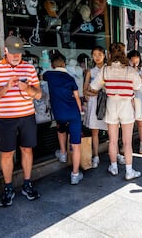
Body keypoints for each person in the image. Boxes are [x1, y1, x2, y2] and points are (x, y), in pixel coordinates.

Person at [0, 35, 42, 207]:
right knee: (7, 153)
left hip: (27, 116)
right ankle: (8, 188)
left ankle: (27, 183)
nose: (17, 56)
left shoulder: (29, 68)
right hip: (6, 118)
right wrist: (6, 87)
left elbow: (38, 94)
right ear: (5, 51)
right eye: (13, 52)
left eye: (19, 53)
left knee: (27, 150)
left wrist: (28, 88)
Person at [90, 42, 142, 180]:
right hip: (126, 106)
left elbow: (93, 86)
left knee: (112, 141)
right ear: (124, 53)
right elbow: (137, 86)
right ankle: (129, 171)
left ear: (110, 54)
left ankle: (113, 167)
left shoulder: (105, 70)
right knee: (127, 142)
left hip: (111, 105)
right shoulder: (130, 70)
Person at [43, 51, 84, 184]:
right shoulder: (70, 78)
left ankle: (63, 154)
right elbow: (77, 97)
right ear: (64, 64)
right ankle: (75, 175)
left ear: (52, 65)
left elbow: (39, 77)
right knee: (76, 144)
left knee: (60, 128)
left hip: (59, 113)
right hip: (73, 113)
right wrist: (80, 110)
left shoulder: (48, 75)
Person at [83, 46, 108, 168]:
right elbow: (85, 91)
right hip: (94, 103)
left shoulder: (108, 69)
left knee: (112, 130)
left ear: (104, 55)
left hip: (107, 103)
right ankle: (96, 155)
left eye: (100, 54)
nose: (97, 57)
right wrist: (98, 93)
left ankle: (116, 154)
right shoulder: (90, 71)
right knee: (95, 132)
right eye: (94, 55)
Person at [127, 49, 142, 154]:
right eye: (132, 58)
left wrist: (140, 76)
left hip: (140, 98)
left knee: (140, 122)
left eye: (136, 58)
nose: (134, 60)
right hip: (128, 98)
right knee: (128, 123)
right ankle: (128, 145)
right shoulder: (126, 70)